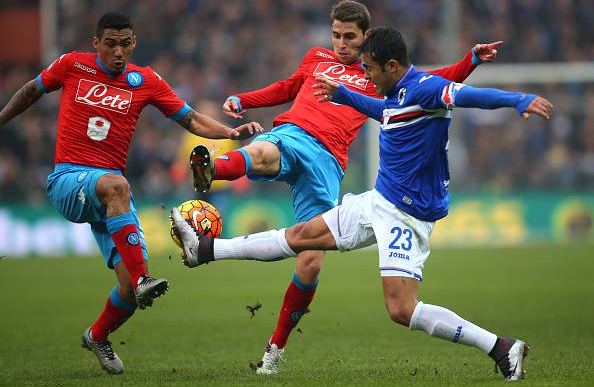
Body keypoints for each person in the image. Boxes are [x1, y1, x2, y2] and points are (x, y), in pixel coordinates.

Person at [172, 27, 552, 381]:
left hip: (408, 215)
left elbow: (469, 95)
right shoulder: (393, 94)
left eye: (369, 69)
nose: (366, 77)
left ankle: (501, 347)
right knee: (302, 235)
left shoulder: (426, 89)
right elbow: (379, 111)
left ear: (392, 65)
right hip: (378, 201)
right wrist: (341, 94)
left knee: (401, 310)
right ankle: (204, 250)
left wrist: (518, 100)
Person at [0, 12, 262, 375]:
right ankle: (143, 278)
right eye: (110, 44)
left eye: (125, 43)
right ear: (96, 44)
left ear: (134, 43)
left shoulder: (146, 80)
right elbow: (32, 89)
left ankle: (98, 334)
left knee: (128, 290)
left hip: (109, 195)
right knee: (120, 191)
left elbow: (190, 119)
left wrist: (231, 133)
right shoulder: (72, 65)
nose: (118, 51)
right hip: (69, 178)